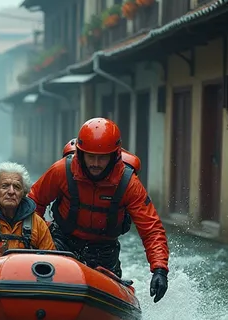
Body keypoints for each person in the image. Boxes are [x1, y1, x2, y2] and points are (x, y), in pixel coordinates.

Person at [28, 118, 169, 302]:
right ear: (81, 153)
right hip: (61, 242)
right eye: (90, 156)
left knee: (111, 293)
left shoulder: (128, 184)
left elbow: (151, 229)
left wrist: (159, 269)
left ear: (114, 155)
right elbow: (34, 203)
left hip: (104, 250)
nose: (95, 163)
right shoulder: (61, 171)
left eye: (102, 158)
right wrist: (30, 240)